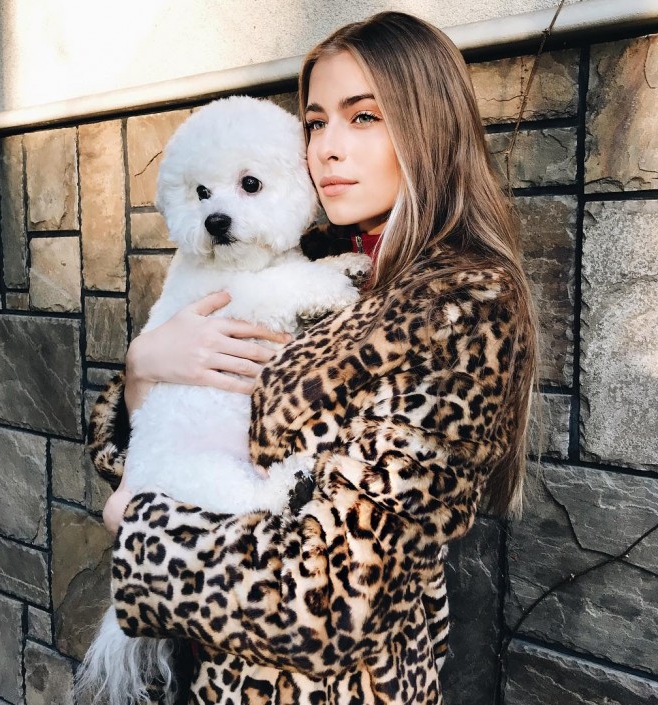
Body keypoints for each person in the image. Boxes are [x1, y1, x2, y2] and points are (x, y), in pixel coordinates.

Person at [92, 10, 538, 705]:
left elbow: (335, 600)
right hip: (216, 674)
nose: (327, 148)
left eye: (363, 118)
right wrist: (141, 373)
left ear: (429, 128)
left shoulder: (460, 304)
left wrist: (140, 526)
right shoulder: (314, 255)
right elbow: (166, 435)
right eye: (315, 122)